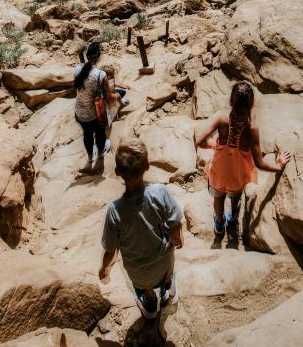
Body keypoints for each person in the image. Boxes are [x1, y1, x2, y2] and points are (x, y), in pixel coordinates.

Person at [194, 81, 291, 242]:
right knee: (236, 196)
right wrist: (279, 165)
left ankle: (219, 224)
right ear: (252, 104)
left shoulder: (221, 119)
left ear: (231, 101)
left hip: (219, 171)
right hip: (239, 175)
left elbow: (200, 141)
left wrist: (215, 146)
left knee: (218, 198)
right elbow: (260, 163)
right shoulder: (252, 129)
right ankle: (232, 219)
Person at [99, 140, 183, 319]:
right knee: (168, 267)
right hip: (164, 263)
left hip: (139, 274)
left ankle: (149, 299)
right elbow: (175, 224)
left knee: (133, 274)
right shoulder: (160, 192)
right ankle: (168, 287)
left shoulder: (114, 211)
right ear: (147, 166)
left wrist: (104, 268)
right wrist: (177, 240)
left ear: (117, 172)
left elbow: (110, 250)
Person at [73, 40, 111, 171]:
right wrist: (118, 96)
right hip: (94, 113)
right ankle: (100, 152)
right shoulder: (101, 74)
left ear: (87, 55)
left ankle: (90, 157)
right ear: (99, 56)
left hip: (79, 112)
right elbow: (109, 96)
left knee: (87, 134)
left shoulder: (77, 69)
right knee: (100, 133)